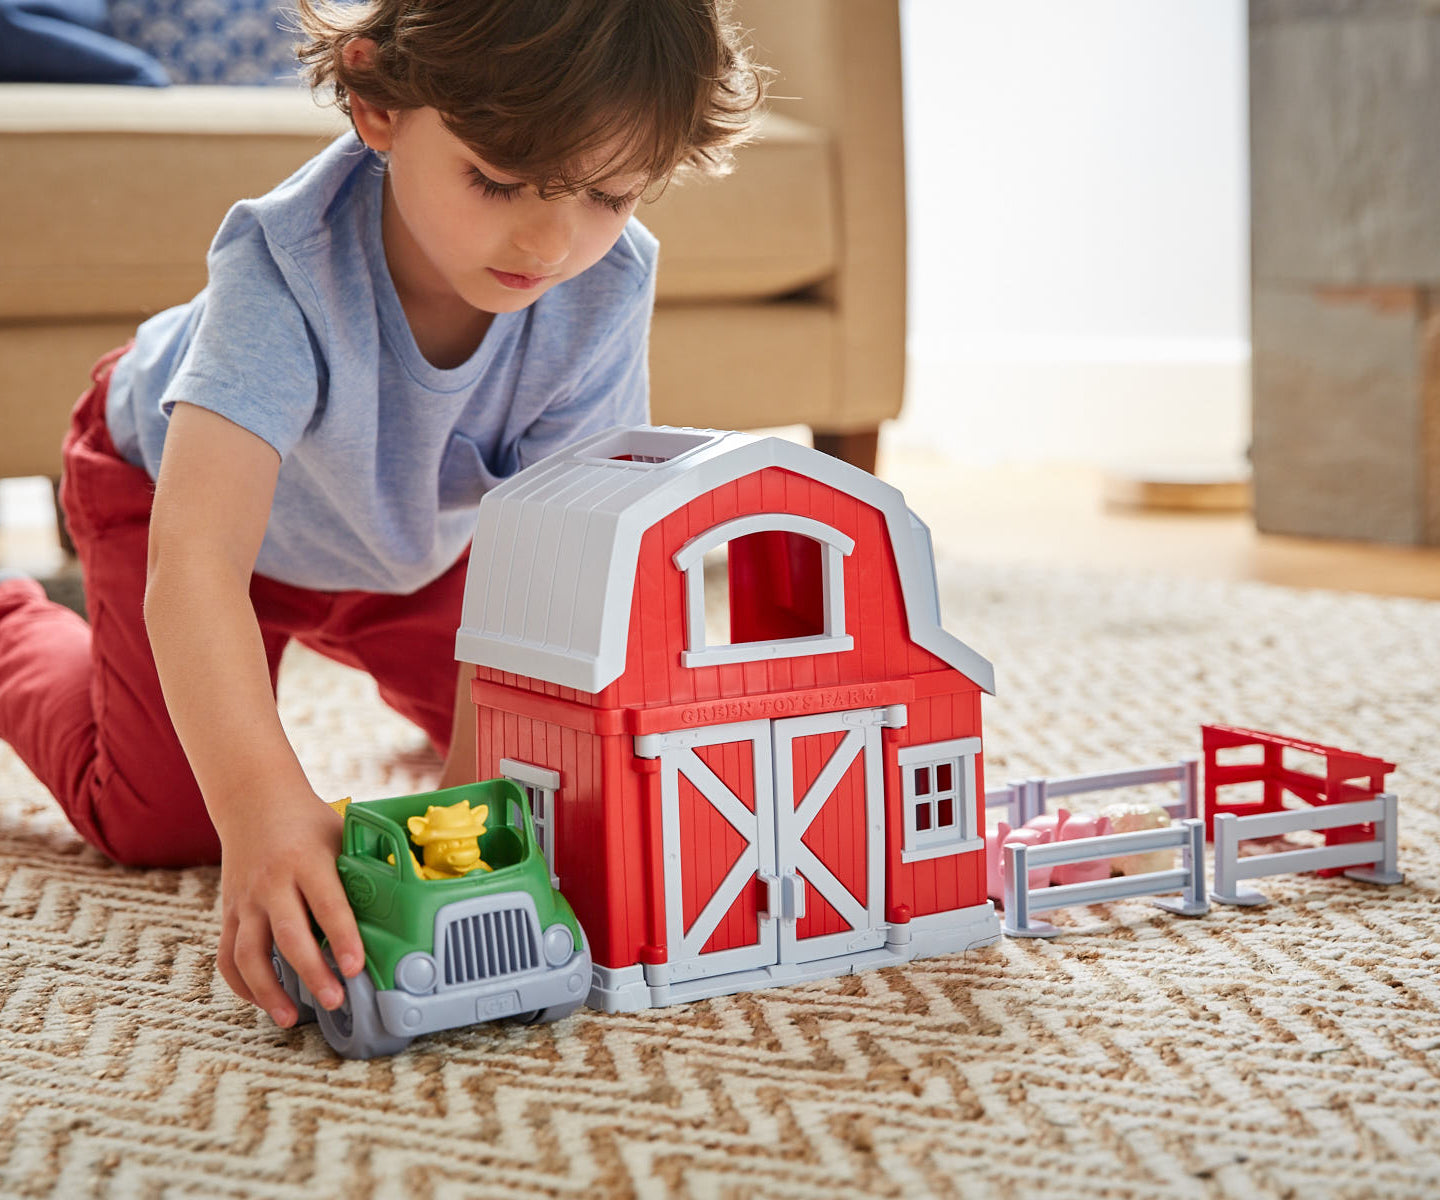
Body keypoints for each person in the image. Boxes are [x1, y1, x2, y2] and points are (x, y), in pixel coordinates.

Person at [0, 0, 765, 1030]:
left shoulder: (605, 285)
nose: (550, 239)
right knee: (164, 819)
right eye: (496, 181)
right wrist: (263, 809)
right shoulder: (283, 268)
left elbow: (564, 564)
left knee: (541, 774)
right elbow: (198, 562)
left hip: (404, 537)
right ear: (375, 102)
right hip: (179, 506)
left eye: (609, 195)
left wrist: (466, 826)